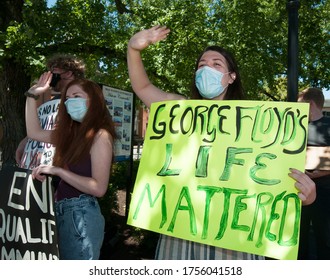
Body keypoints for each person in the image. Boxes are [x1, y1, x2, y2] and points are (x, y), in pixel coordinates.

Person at [127, 25, 316, 260]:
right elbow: (142, 87)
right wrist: (133, 49)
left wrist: (306, 194)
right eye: (202, 65)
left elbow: (279, 179)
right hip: (181, 234)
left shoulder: (259, 121)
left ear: (231, 77)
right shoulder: (178, 109)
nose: (207, 69)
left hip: (236, 241)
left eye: (217, 64)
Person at [24, 74, 116, 260]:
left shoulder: (100, 136)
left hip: (80, 214)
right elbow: (34, 132)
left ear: (94, 101)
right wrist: (31, 96)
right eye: (67, 98)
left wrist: (58, 171)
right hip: (62, 211)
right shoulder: (70, 134)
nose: (69, 102)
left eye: (76, 97)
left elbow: (98, 187)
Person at [16, 54, 86, 169]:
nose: (49, 77)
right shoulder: (53, 101)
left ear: (68, 73)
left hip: (63, 168)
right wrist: (25, 142)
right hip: (40, 169)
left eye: (53, 72)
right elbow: (41, 126)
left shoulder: (79, 103)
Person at [297, 87, 330, 260]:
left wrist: (313, 174)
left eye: (300, 104)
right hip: (299, 193)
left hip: (324, 196)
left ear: (310, 104)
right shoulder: (296, 127)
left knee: (323, 239)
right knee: (299, 239)